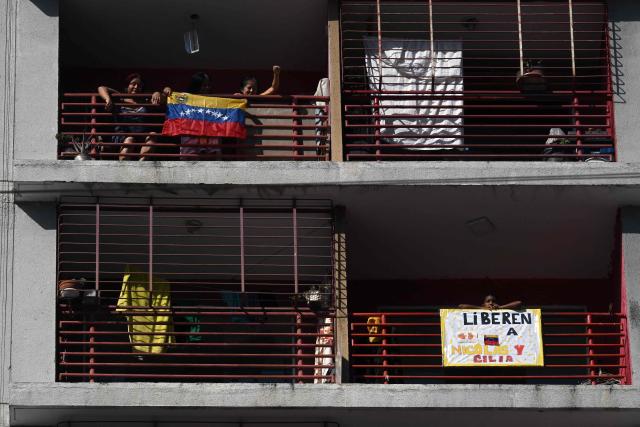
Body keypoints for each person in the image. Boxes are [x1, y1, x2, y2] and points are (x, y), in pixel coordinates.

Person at [98, 73, 164, 161]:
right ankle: (124, 169)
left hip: (141, 135)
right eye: (133, 84)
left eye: (139, 85)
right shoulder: (121, 98)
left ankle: (142, 165)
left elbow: (164, 98)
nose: (136, 87)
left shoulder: (145, 100)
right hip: (122, 135)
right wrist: (108, 99)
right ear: (127, 85)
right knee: (130, 140)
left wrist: (157, 93)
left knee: (153, 135)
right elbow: (101, 88)